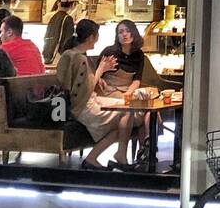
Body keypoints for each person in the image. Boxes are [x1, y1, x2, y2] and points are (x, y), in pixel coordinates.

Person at [54, 18, 123, 169]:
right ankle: (100, 157)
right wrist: (100, 71)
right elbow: (83, 90)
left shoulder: (71, 54)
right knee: (125, 116)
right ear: (92, 36)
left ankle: (110, 156)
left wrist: (97, 78)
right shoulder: (79, 58)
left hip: (80, 104)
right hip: (82, 108)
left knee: (125, 113)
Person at [98, 18, 163, 168]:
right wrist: (101, 75)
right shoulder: (110, 52)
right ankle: (146, 147)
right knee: (144, 109)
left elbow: (136, 80)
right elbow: (97, 76)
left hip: (127, 92)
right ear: (117, 36)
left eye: (127, 31)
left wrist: (128, 92)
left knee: (149, 106)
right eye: (120, 32)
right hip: (110, 92)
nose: (125, 35)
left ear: (134, 34)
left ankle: (144, 150)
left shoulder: (138, 55)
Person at [42, 0, 77, 64]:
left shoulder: (54, 16)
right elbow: (68, 41)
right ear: (72, 5)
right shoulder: (68, 19)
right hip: (59, 56)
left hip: (49, 53)